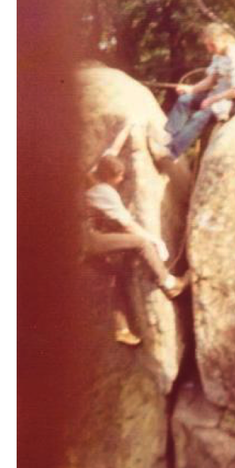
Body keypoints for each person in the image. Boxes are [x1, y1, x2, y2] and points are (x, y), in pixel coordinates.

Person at [85, 124, 189, 345]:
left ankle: (121, 329)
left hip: (77, 240)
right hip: (86, 240)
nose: (122, 179)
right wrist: (155, 240)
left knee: (115, 275)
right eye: (120, 177)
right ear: (111, 177)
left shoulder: (96, 171)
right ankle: (168, 283)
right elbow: (129, 225)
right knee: (141, 243)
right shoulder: (104, 193)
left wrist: (126, 128)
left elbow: (112, 150)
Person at [151, 23, 235, 161]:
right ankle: (167, 139)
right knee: (184, 100)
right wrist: (191, 89)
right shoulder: (219, 54)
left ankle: (173, 152)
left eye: (212, 45)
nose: (209, 49)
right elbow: (211, 80)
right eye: (207, 45)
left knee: (200, 116)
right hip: (220, 94)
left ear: (224, 39)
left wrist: (211, 100)